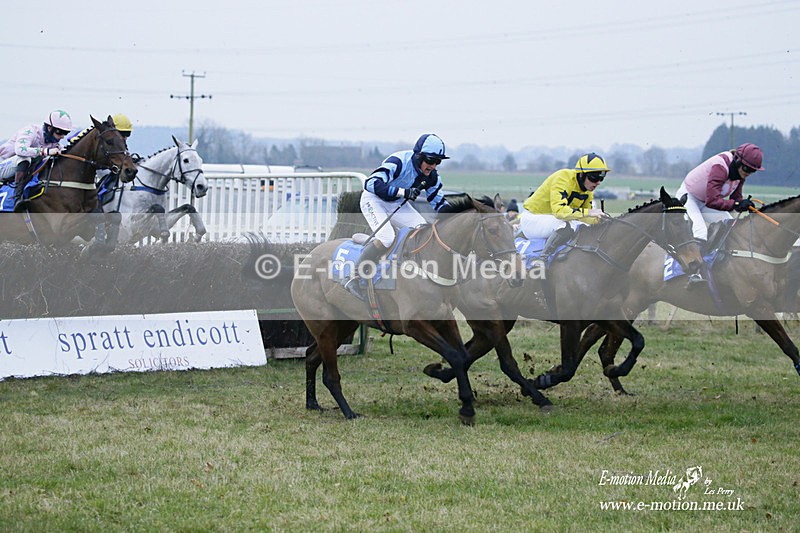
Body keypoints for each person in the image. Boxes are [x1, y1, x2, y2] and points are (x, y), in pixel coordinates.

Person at [347, 133, 450, 290]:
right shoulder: (398, 161)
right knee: (387, 238)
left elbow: (440, 203)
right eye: (430, 160)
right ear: (418, 156)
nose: (433, 166)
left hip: (396, 204)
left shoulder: (432, 177)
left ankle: (409, 273)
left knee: (422, 231)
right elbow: (370, 183)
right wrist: (403, 192)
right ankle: (355, 276)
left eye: (437, 162)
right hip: (374, 200)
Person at [519, 152, 611, 255]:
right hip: (533, 219)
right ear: (581, 174)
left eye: (601, 178)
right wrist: (589, 212)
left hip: (552, 220)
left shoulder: (587, 190)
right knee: (567, 226)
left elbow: (585, 218)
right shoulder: (562, 178)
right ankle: (542, 258)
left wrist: (600, 220)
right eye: (594, 178)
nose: (597, 182)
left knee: (583, 227)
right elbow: (559, 212)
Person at [676, 142, 763, 243]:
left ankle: (715, 257)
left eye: (752, 171)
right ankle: (680, 258)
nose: (748, 173)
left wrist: (744, 205)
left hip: (705, 202)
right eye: (746, 168)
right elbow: (712, 201)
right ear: (737, 161)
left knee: (731, 227)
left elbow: (735, 198)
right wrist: (737, 204)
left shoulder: (740, 174)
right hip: (688, 197)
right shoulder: (720, 167)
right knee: (700, 231)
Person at [0, 109, 73, 207]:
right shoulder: (30, 131)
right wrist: (45, 151)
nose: (62, 137)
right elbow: (20, 150)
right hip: (3, 165)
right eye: (60, 132)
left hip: (18, 168)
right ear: (49, 128)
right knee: (25, 158)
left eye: (65, 133)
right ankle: (17, 197)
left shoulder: (53, 142)